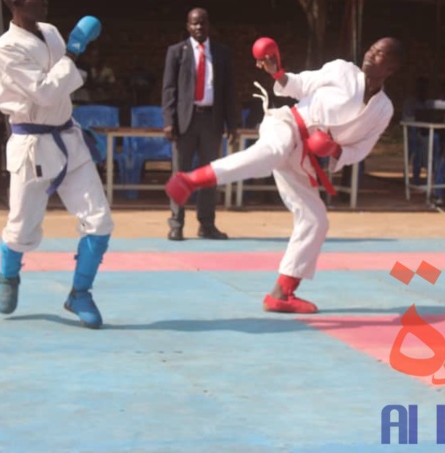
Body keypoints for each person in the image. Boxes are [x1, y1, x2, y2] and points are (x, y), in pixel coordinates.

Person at [165, 37, 401, 313]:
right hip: (288, 125)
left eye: (380, 52)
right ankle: (191, 180)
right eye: (372, 48)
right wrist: (278, 72)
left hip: (304, 159)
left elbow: (361, 149)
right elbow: (299, 84)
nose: (371, 53)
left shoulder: (383, 109)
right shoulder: (342, 70)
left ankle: (282, 293)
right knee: (272, 152)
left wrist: (334, 149)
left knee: (316, 220)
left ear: (391, 67)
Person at [0, 0, 113, 329]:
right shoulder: (5, 49)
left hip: (69, 140)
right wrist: (74, 51)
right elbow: (44, 92)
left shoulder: (52, 32)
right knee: (21, 228)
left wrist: (70, 53)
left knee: (100, 221)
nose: (43, 1)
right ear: (15, 3)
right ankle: (8, 274)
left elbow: (64, 84)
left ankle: (80, 293)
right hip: (32, 146)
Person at [161, 7, 238, 241]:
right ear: (188, 26)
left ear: (208, 25)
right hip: (185, 121)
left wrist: (232, 125)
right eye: (194, 23)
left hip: (211, 121)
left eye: (202, 23)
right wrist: (168, 121)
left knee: (208, 175)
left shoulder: (222, 53)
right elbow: (169, 89)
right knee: (180, 173)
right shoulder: (176, 52)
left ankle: (207, 224)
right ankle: (176, 224)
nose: (199, 27)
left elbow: (229, 91)